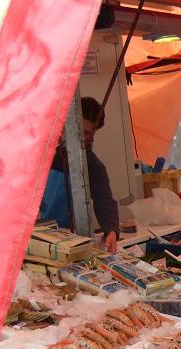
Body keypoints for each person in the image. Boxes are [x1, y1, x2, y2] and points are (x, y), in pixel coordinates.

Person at [39, 97, 119, 253]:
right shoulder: (42, 151)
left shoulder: (93, 166)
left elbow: (104, 201)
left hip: (70, 242)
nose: (80, 138)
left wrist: (111, 230)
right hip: (36, 237)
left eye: (87, 134)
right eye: (77, 130)